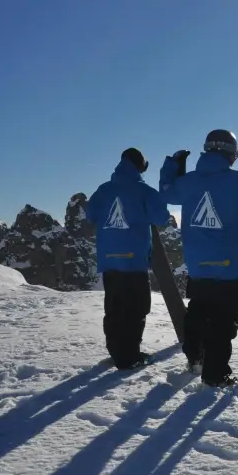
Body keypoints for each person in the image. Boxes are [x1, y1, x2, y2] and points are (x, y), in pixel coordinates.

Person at [159, 129, 238, 387]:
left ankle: (195, 356)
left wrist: (173, 165)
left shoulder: (188, 183)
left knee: (198, 313)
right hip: (228, 270)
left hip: (197, 268)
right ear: (232, 155)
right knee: (223, 323)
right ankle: (215, 374)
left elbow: (166, 193)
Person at [86, 147, 172, 370]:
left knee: (114, 308)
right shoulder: (144, 191)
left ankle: (116, 352)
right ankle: (130, 357)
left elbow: (90, 214)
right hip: (134, 262)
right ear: (140, 167)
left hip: (110, 262)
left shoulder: (103, 190)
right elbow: (161, 218)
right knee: (136, 309)